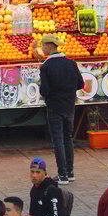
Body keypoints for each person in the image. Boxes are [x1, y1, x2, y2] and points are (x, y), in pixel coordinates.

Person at [39, 35, 82, 185]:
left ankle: (62, 174)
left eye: (43, 45)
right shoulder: (71, 63)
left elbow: (44, 90)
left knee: (58, 139)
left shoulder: (46, 67)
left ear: (50, 46)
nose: (42, 48)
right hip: (69, 105)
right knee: (67, 137)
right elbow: (80, 84)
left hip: (54, 107)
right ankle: (70, 172)